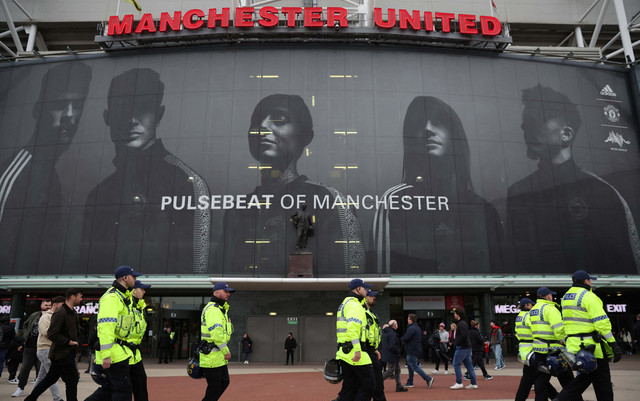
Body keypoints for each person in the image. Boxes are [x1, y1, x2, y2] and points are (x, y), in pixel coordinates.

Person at [80, 68, 211, 274]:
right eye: (123, 109)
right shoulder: (99, 194)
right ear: (108, 117)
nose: (132, 120)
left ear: (159, 115)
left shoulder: (188, 182)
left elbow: (198, 268)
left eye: (142, 109)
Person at [223, 94, 365, 276]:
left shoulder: (329, 202)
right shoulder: (237, 211)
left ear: (305, 136)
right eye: (257, 121)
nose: (263, 127)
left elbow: (350, 274)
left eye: (279, 120)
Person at [507, 85, 640, 274]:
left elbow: (623, 262)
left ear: (566, 134)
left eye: (536, 120)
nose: (526, 128)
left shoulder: (601, 191)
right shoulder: (518, 192)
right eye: (525, 123)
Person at [372, 96, 504, 274]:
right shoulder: (395, 201)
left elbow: (499, 276)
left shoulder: (482, 209)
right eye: (419, 124)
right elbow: (382, 279)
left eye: (438, 122)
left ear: (454, 133)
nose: (428, 129)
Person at [0, 62, 92, 275]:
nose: (69, 115)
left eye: (77, 105)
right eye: (60, 105)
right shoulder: (19, 170)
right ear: (38, 109)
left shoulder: (50, 175)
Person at [59, 265, 141, 401]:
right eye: (134, 277)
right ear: (125, 278)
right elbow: (106, 328)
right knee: (122, 392)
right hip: (115, 355)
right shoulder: (111, 298)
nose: (136, 280)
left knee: (109, 389)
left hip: (121, 352)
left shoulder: (122, 296)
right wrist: (107, 355)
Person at [552, 271, 633, 401]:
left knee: (594, 379)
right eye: (590, 280)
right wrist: (613, 343)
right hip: (591, 346)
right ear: (586, 281)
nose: (591, 283)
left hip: (576, 344)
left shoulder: (566, 297)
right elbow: (601, 322)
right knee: (602, 381)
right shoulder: (588, 296)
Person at [12, 288, 83, 401]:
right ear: (72, 297)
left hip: (66, 353)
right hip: (62, 354)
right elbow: (51, 334)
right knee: (72, 381)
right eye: (80, 296)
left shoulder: (72, 313)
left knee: (46, 382)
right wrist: (68, 342)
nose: (81, 299)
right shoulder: (60, 313)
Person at [327, 289, 398, 401]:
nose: (374, 298)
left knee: (356, 384)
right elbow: (355, 331)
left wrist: (374, 348)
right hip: (361, 352)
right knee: (370, 384)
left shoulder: (368, 312)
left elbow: (368, 333)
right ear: (364, 297)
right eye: (371, 296)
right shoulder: (359, 309)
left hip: (367, 350)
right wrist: (360, 349)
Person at [529, 286, 596, 401]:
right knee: (568, 378)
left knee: (542, 379)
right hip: (553, 349)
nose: (552, 297)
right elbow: (558, 329)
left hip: (539, 348)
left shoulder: (533, 310)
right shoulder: (550, 308)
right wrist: (565, 340)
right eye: (551, 295)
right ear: (547, 296)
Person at [192, 282, 235, 401]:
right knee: (214, 388)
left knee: (223, 383)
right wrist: (225, 350)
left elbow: (225, 332)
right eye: (226, 291)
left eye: (229, 292)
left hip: (217, 358)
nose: (229, 294)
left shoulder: (221, 310)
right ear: (217, 293)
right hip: (212, 356)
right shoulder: (213, 310)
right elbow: (216, 334)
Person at [334, 279, 375, 401]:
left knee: (349, 388)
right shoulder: (355, 305)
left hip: (344, 352)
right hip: (355, 353)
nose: (367, 291)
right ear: (358, 289)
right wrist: (357, 350)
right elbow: (352, 328)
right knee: (369, 385)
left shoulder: (344, 304)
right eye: (365, 288)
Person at [31, 296, 67, 401]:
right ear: (55, 305)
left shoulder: (54, 317)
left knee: (42, 378)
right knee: (52, 376)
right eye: (61, 306)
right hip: (45, 349)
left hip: (47, 349)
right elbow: (46, 332)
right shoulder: (46, 317)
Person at [12, 299, 52, 398]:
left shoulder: (51, 317)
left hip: (42, 347)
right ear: (41, 305)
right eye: (46, 305)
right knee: (25, 368)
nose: (47, 307)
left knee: (40, 371)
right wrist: (25, 336)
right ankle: (20, 388)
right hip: (30, 346)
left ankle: (36, 390)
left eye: (49, 305)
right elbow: (25, 324)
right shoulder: (35, 315)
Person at [400, 314, 434, 389]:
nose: (407, 320)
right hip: (414, 349)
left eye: (408, 319)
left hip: (411, 350)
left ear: (411, 320)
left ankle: (428, 379)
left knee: (414, 367)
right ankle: (410, 382)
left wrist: (400, 339)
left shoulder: (411, 328)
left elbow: (406, 337)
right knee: (410, 366)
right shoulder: (417, 327)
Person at [449, 307, 478, 390]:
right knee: (469, 365)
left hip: (462, 347)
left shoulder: (461, 324)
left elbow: (463, 336)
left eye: (455, 313)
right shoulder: (464, 323)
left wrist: (456, 343)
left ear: (458, 314)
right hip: (467, 347)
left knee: (456, 363)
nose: (454, 315)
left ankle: (459, 382)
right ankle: (473, 383)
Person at [381, 320, 407, 392]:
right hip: (392, 355)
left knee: (397, 370)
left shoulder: (386, 333)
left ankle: (398, 386)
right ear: (395, 326)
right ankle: (378, 381)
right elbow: (392, 346)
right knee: (390, 371)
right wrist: (398, 350)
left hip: (390, 355)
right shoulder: (392, 334)